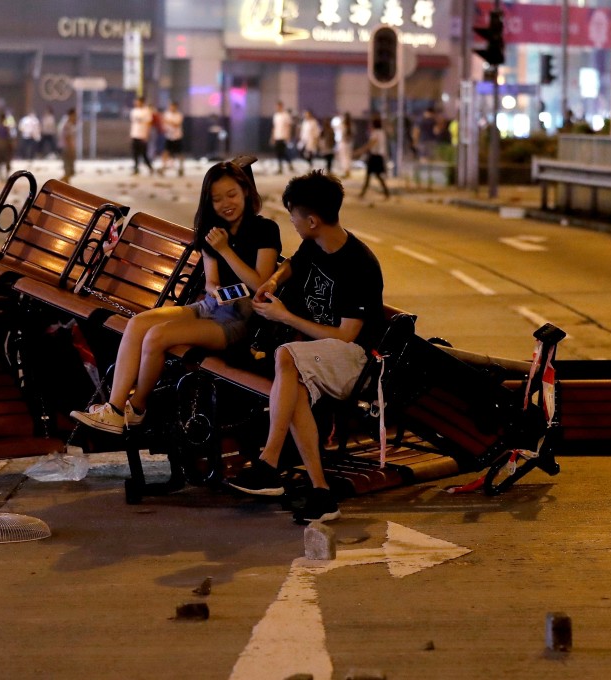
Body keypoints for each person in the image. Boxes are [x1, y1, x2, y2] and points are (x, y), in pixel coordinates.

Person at [73, 161, 282, 434]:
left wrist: (226, 250)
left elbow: (261, 285)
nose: (225, 204)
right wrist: (216, 291)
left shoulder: (264, 229)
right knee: (139, 323)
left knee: (158, 336)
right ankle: (114, 409)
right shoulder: (212, 231)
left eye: (231, 195)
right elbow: (211, 282)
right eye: (216, 199)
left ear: (245, 191)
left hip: (241, 320)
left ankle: (136, 409)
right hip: (212, 306)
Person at [226, 170, 385, 524]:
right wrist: (272, 279)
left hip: (354, 360)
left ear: (311, 220)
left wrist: (285, 317)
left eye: (294, 216)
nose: (293, 224)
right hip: (315, 353)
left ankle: (269, 462)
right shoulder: (315, 243)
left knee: (286, 357)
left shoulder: (359, 265)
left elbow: (346, 337)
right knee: (291, 377)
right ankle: (320, 492)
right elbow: (293, 266)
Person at [357, 115, 390, 199]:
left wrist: (361, 150)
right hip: (379, 156)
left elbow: (372, 143)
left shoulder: (375, 133)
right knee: (377, 175)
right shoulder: (382, 132)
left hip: (375, 156)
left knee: (370, 175)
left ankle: (363, 193)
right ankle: (386, 192)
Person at [129, 97, 154, 175]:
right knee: (135, 153)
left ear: (142, 102)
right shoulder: (134, 111)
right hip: (135, 134)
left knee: (143, 153)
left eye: (138, 102)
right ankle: (136, 168)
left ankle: (150, 167)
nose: (137, 103)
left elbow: (149, 123)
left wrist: (147, 134)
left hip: (143, 135)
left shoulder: (146, 111)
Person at [160, 101, 185, 177]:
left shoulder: (179, 115)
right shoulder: (167, 114)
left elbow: (176, 124)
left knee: (180, 153)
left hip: (177, 136)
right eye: (170, 106)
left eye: (173, 106)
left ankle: (181, 167)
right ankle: (163, 167)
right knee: (165, 152)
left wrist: (168, 121)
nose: (171, 108)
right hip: (169, 136)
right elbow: (164, 125)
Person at [271, 101, 295, 174]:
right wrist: (273, 137)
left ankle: (287, 164)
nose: (277, 108)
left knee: (283, 152)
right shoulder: (276, 115)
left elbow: (289, 126)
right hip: (277, 136)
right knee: (278, 153)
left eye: (278, 106)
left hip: (283, 136)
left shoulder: (286, 115)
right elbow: (274, 127)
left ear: (281, 106)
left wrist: (288, 136)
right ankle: (282, 167)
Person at [58, 107, 77, 183]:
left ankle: (64, 181)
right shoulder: (67, 124)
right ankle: (62, 182)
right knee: (68, 169)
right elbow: (67, 137)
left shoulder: (68, 123)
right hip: (67, 148)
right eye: (75, 115)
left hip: (67, 147)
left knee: (70, 170)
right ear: (71, 115)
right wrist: (72, 148)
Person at [334, 112, 354, 178]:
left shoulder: (343, 125)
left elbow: (336, 128)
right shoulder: (351, 125)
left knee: (344, 158)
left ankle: (346, 171)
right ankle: (347, 171)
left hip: (344, 143)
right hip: (349, 143)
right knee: (348, 158)